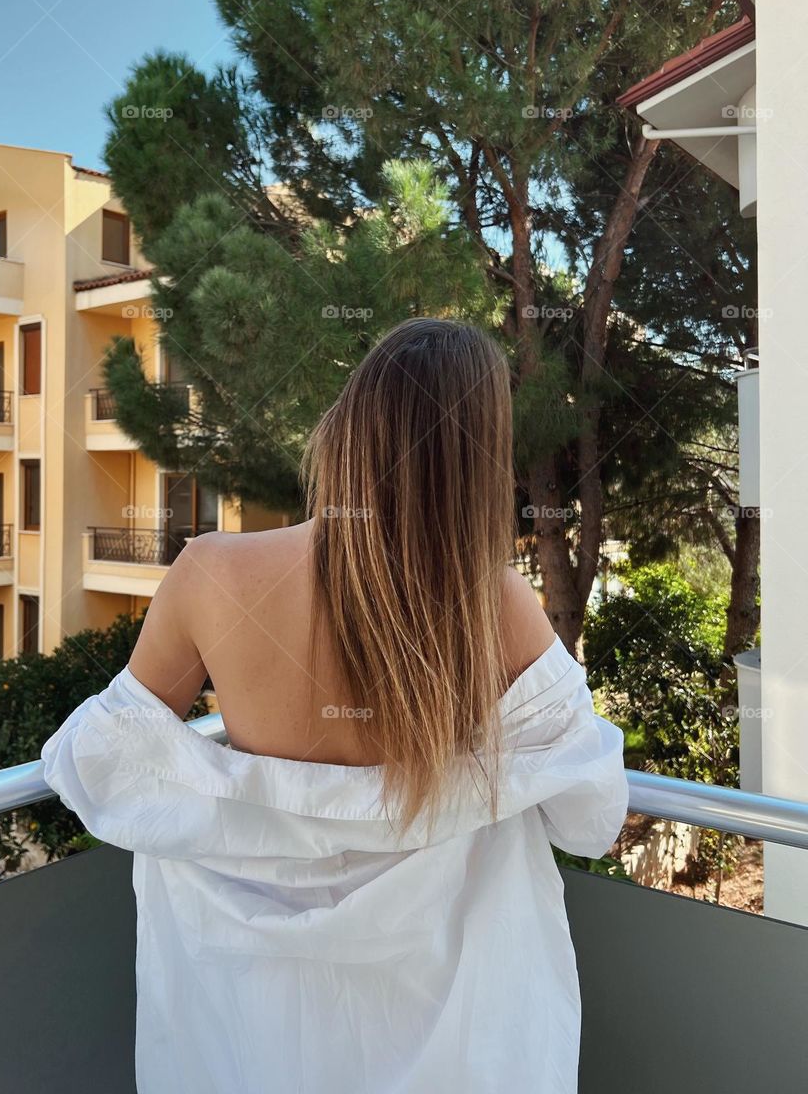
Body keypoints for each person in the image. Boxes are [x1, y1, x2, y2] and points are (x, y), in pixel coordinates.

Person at [42, 317, 628, 1094]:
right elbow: (589, 815)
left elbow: (99, 761)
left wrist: (223, 782)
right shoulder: (494, 605)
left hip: (256, 1020)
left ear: (345, 426)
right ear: (478, 458)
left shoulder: (211, 574)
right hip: (445, 1026)